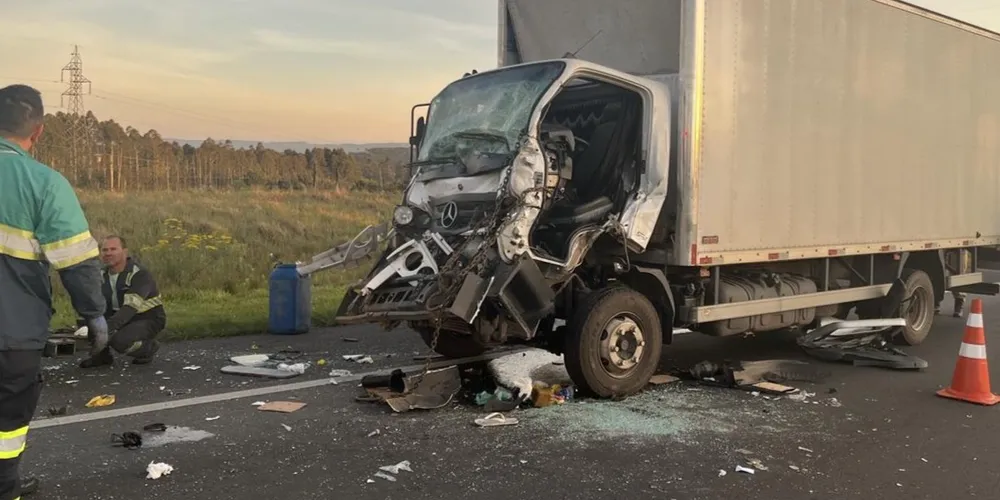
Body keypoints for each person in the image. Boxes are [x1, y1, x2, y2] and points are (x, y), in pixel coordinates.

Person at [0, 84, 107, 499]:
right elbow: (78, 262)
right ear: (38, 132)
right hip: (13, 331)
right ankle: (5, 486)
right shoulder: (44, 183)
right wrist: (94, 316)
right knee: (8, 419)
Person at [79, 235, 166, 368]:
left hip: (147, 317)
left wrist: (107, 329)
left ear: (124, 252)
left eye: (113, 249)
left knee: (120, 341)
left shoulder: (139, 274)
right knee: (92, 322)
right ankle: (102, 357)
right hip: (120, 315)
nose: (108, 253)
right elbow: (95, 303)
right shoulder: (101, 275)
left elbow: (130, 308)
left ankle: (148, 349)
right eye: (105, 250)